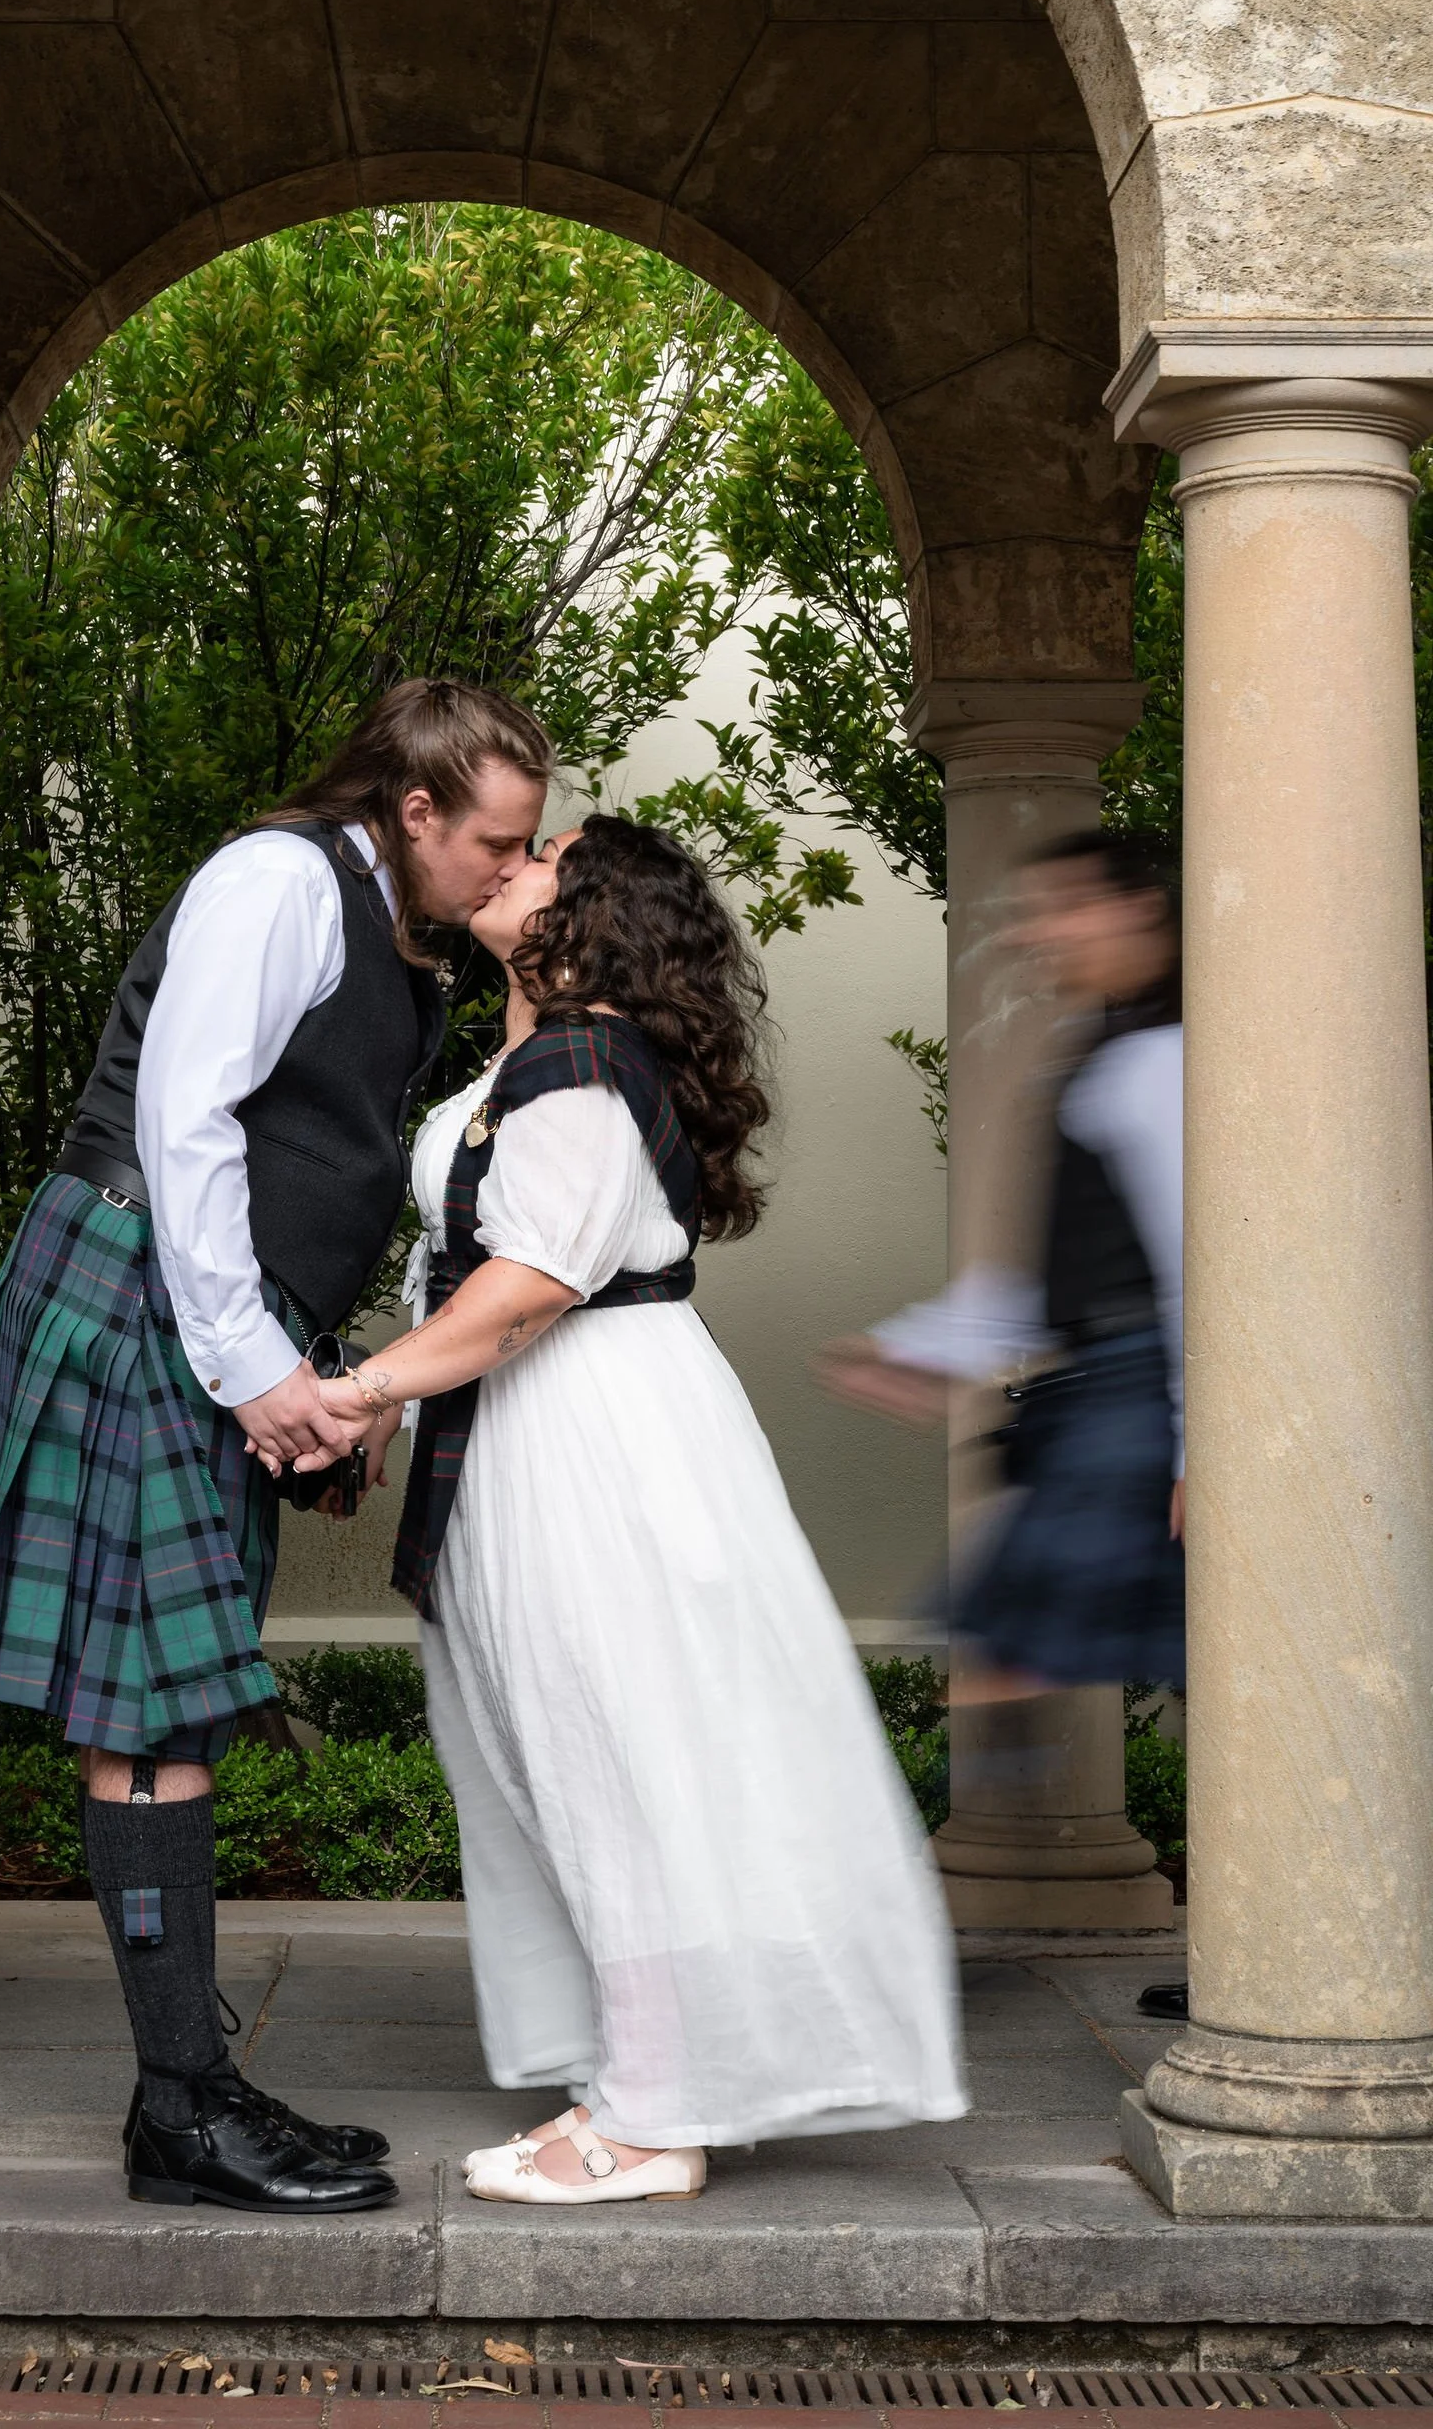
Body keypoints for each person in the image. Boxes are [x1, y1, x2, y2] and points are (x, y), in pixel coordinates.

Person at [0, 677, 552, 2212]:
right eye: (496, 843)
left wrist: (316, 1372)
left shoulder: (400, 933)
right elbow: (187, 1125)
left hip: (204, 1313)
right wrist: (258, 1374)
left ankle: (191, 2093)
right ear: (417, 807)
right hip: (137, 1290)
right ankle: (183, 2112)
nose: (509, 872)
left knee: (166, 1703)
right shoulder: (277, 882)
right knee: (154, 1708)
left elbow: (300, 1160)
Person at [315, 815, 966, 2205]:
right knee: (575, 1756)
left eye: (544, 853)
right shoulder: (538, 1059)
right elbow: (474, 1272)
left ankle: (655, 2120)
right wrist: (403, 1388)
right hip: (539, 1431)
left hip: (591, 1439)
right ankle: (643, 2078)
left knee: (621, 1754)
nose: (511, 859)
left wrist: (363, 1392)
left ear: (604, 910)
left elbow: (533, 1284)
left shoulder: (584, 1066)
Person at [813, 827, 1186, 2019]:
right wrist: (923, 1350)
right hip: (1103, 1387)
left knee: (1007, 1644)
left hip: (1138, 1395)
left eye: (1064, 906)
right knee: (1038, 1649)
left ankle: (872, 1939)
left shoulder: (1169, 1059)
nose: (1036, 931)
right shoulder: (1098, 1051)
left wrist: (1202, 1442)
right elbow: (1043, 1279)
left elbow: (1198, 1264)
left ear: (1144, 911)